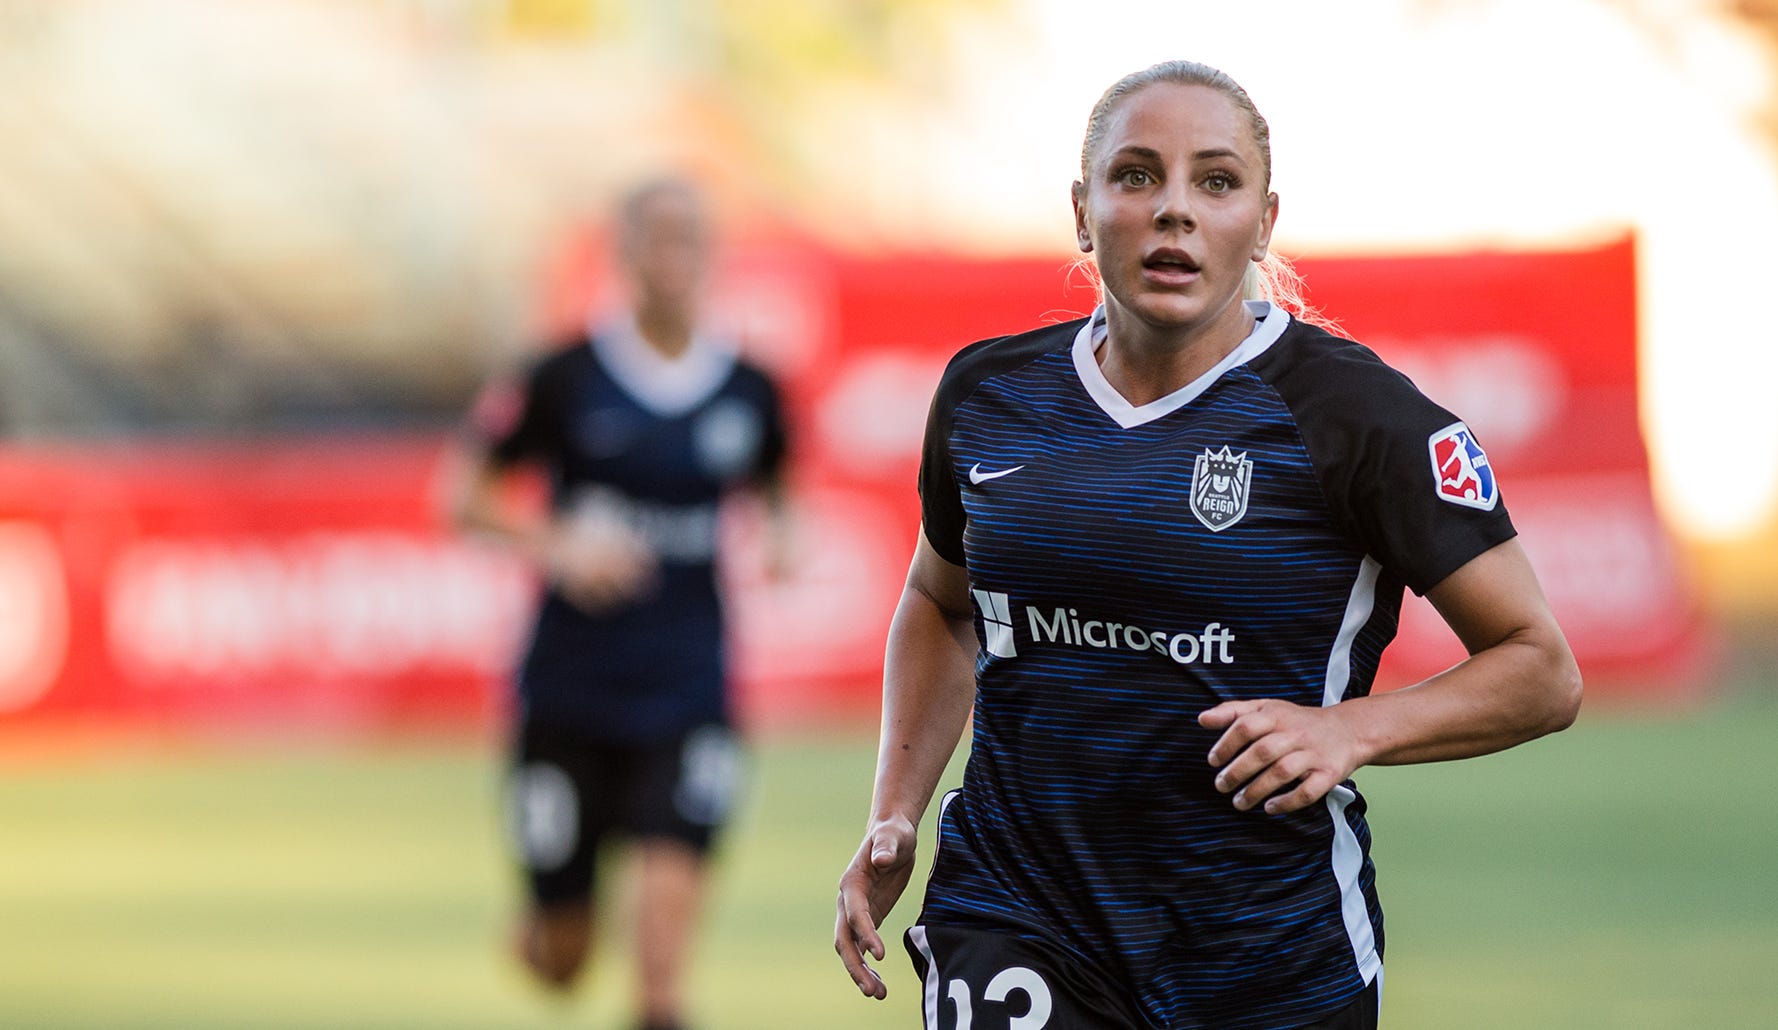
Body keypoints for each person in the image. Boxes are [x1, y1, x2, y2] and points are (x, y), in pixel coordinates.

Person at [834, 60, 1582, 1030]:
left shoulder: (1359, 419)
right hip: (1017, 913)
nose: (1173, 210)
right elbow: (941, 602)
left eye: (1214, 181)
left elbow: (1539, 668)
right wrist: (893, 810)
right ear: (1081, 209)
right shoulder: (987, 397)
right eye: (1136, 175)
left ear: (1263, 221)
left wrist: (1346, 731)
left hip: (1269, 949)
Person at [445, 176, 789, 1030]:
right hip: (570, 692)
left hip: (687, 689)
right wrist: (558, 545)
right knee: (563, 964)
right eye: (658, 237)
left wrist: (788, 537)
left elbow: (783, 491)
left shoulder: (750, 388)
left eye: (691, 237)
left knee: (662, 959)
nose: (675, 256)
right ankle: (545, 926)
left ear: (713, 256)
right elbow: (464, 496)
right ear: (625, 254)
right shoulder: (563, 376)